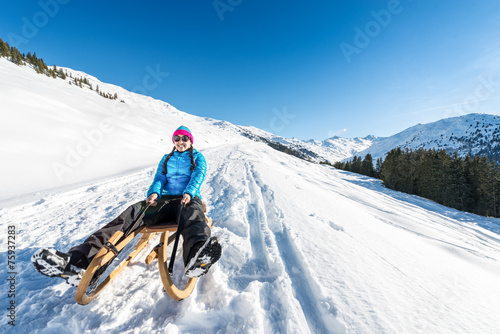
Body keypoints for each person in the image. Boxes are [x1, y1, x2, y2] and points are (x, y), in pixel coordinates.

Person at [32, 126, 222, 286]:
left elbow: (199, 175)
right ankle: (78, 263)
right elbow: (160, 178)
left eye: (185, 138)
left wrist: (189, 192)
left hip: (186, 198)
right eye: (177, 138)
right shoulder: (166, 158)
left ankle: (197, 258)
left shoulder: (197, 157)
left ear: (191, 140)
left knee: (193, 216)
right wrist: (154, 193)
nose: (181, 141)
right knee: (128, 218)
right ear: (173, 141)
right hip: (163, 201)